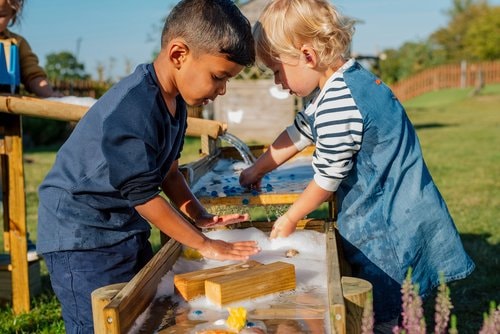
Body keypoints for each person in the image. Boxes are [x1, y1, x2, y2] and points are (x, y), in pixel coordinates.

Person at [239, 1, 475, 333]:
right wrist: (256, 170)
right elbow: (298, 133)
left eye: (277, 70)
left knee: (387, 312)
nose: (277, 82)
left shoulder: (339, 101)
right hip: (401, 210)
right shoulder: (344, 83)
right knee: (404, 299)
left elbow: (326, 179)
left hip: (389, 226)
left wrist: (290, 217)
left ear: (307, 56)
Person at [37, 0, 259, 332]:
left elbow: (168, 172)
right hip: (81, 236)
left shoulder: (176, 104)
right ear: (179, 54)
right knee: (101, 322)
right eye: (218, 77)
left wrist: (197, 214)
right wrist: (206, 244)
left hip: (122, 224)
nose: (222, 90)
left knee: (142, 315)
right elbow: (143, 196)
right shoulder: (135, 108)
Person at [0, 0, 61, 96]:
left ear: (12, 13)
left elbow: (33, 76)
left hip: (7, 107)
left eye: (1, 15)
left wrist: (50, 94)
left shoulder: (16, 43)